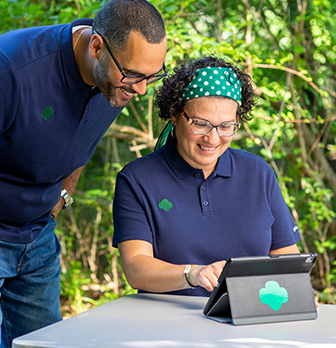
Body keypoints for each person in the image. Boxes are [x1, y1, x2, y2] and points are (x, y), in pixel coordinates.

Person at [0, 0, 167, 347]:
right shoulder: (10, 71)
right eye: (134, 75)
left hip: (36, 238)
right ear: (96, 46)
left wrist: (62, 196)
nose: (141, 89)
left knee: (44, 344)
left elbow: (80, 137)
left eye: (151, 76)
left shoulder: (116, 78)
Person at [112, 56, 301, 297]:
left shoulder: (258, 174)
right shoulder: (137, 179)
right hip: (170, 324)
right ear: (174, 114)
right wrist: (192, 274)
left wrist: (297, 295)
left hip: (250, 318)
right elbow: (136, 267)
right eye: (200, 124)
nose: (212, 139)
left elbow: (287, 258)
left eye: (225, 126)